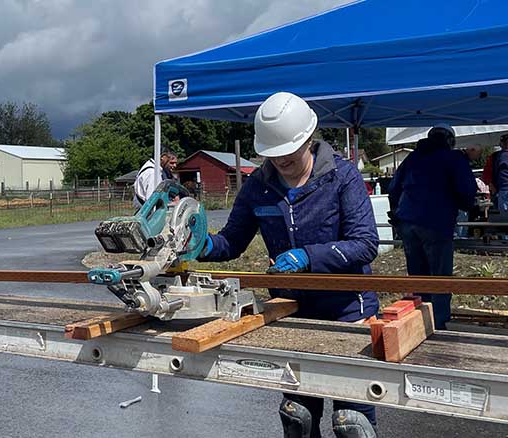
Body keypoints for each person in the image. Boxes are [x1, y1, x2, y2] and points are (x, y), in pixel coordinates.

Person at [199, 92, 379, 438]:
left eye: (288, 152)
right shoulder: (258, 187)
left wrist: (309, 256)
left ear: (308, 139)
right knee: (298, 416)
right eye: (272, 154)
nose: (280, 160)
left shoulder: (342, 177)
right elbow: (232, 241)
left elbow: (365, 244)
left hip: (347, 310)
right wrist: (203, 244)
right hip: (291, 312)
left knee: (351, 422)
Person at [388, 123, 477, 330]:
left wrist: (399, 214)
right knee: (440, 277)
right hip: (436, 222)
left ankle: (418, 322)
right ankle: (438, 325)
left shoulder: (412, 158)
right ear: (450, 140)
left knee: (417, 277)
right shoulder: (453, 158)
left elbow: (393, 188)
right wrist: (464, 205)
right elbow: (467, 191)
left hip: (408, 222)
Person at [484, 134, 508, 214]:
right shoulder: (494, 156)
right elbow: (486, 174)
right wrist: (491, 186)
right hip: (501, 191)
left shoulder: (495, 156)